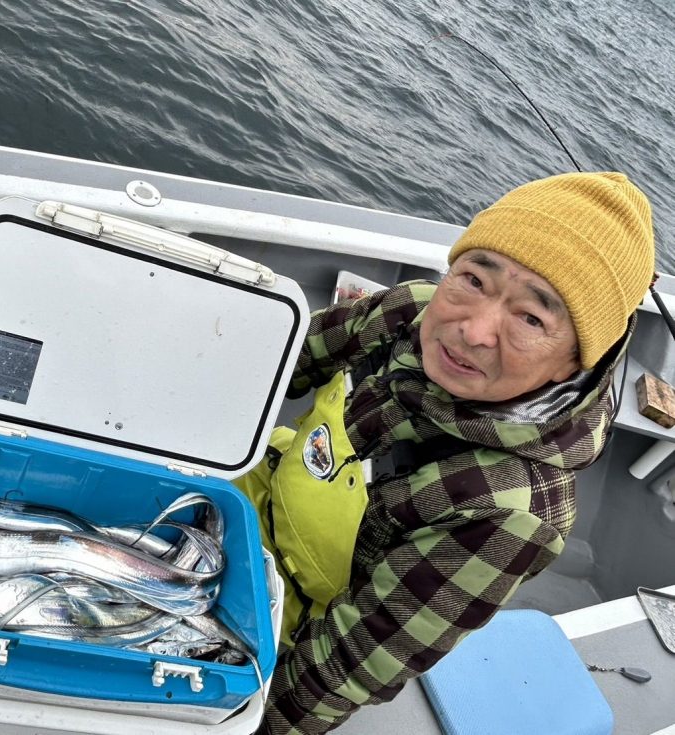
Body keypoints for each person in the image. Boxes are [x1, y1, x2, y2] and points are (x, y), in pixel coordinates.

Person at [234, 171, 656, 735]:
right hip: (242, 496)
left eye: (532, 318)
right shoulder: (406, 312)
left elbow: (346, 664)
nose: (473, 330)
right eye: (474, 278)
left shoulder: (515, 513)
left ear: (579, 361)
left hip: (278, 622)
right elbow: (269, 367)